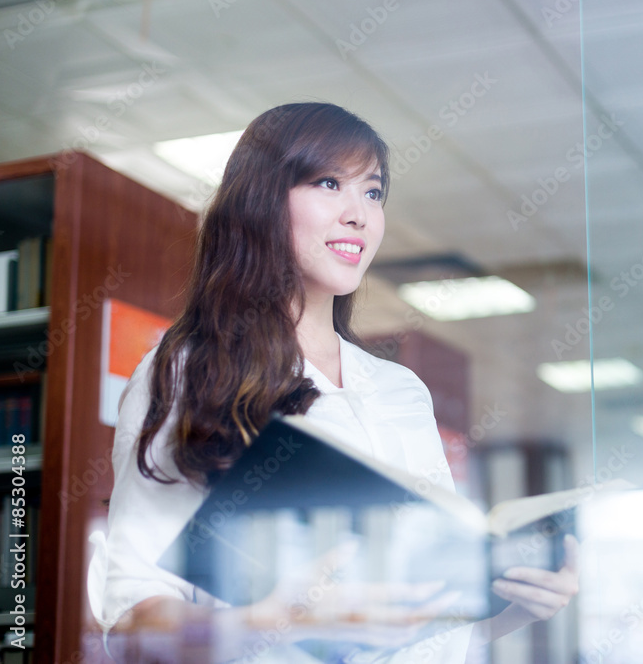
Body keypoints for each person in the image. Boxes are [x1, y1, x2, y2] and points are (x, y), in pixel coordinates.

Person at [87, 102, 579, 663]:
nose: (360, 215)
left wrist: (517, 608)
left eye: (373, 193)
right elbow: (134, 620)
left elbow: (424, 630)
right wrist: (266, 624)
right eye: (328, 183)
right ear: (261, 200)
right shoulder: (189, 369)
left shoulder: (401, 390)